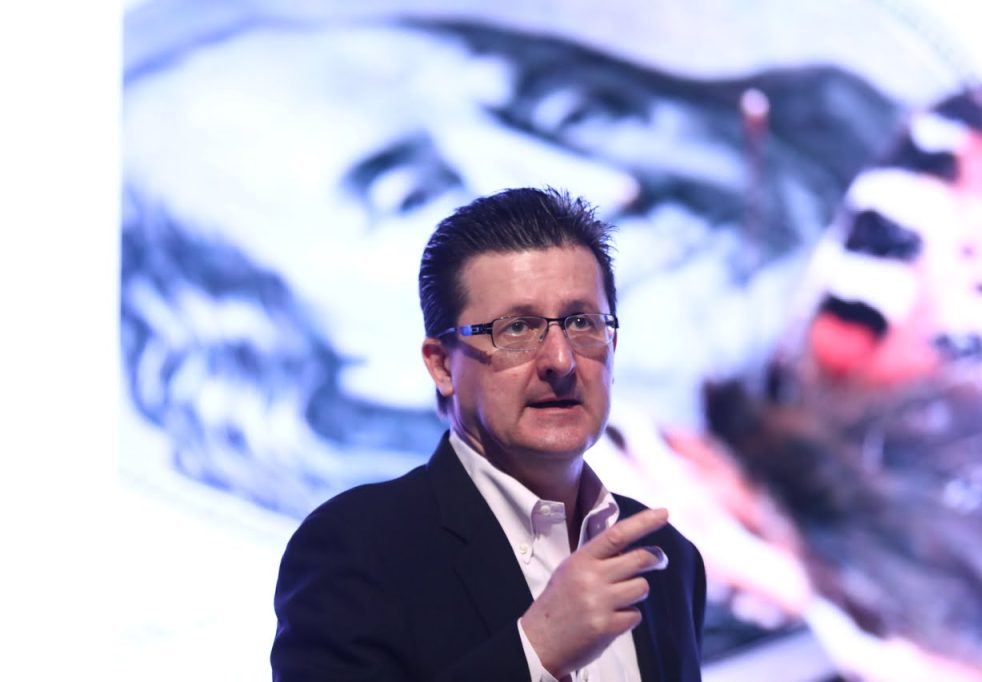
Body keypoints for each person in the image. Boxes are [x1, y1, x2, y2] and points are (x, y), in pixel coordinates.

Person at [271, 187, 706, 681]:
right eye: (516, 328)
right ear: (442, 365)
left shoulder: (667, 558)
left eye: (582, 322)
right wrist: (536, 651)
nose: (560, 360)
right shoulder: (356, 548)